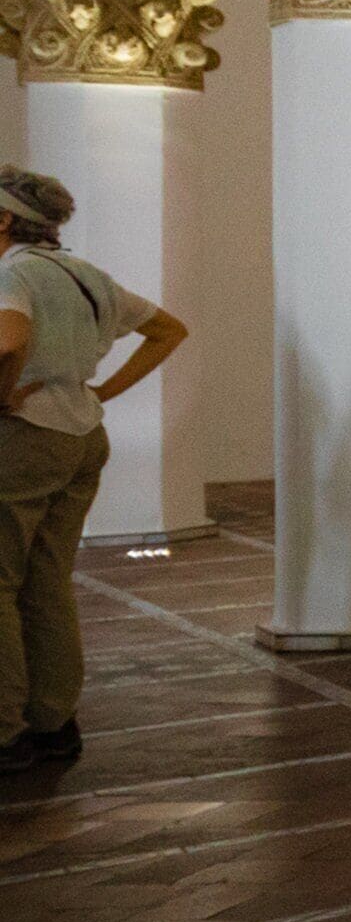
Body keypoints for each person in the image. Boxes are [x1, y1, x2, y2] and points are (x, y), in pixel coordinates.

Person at [0, 167, 187, 775]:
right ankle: (53, 719)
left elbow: (7, 342)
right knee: (47, 579)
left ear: (4, 219)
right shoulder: (83, 273)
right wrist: (102, 390)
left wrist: (2, 394)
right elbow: (167, 330)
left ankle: (6, 730)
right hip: (81, 435)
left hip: (25, 441)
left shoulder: (12, 273)